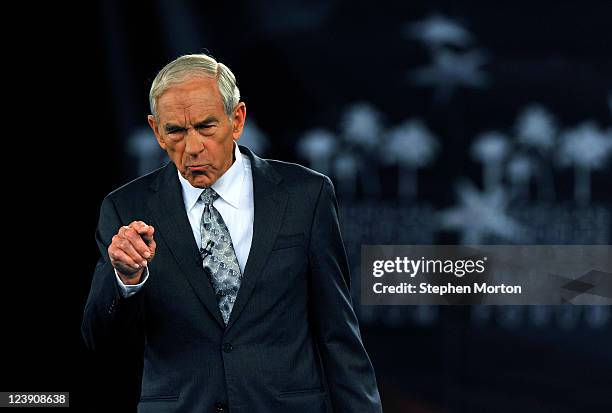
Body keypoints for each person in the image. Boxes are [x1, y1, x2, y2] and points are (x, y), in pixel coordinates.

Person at [82, 53, 383, 413]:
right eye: (176, 130)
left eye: (206, 127)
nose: (192, 147)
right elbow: (101, 341)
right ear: (156, 130)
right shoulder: (125, 209)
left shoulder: (306, 195)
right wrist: (126, 278)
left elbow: (338, 336)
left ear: (236, 119)